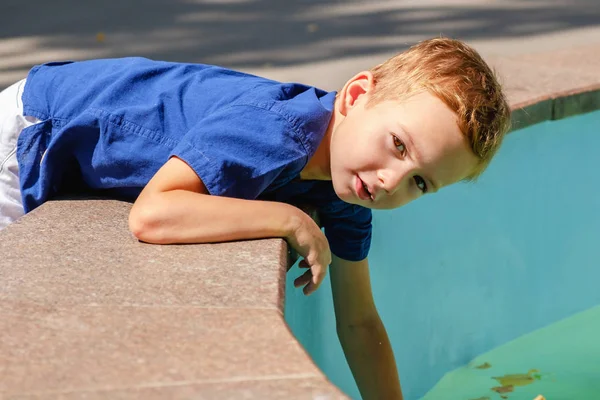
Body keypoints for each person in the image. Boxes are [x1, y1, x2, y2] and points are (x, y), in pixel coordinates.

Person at [0, 37, 511, 399]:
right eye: (398, 145)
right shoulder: (280, 131)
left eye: (420, 182)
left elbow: (359, 321)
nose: (390, 181)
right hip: (34, 130)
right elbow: (153, 215)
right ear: (356, 96)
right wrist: (287, 220)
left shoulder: (347, 189)